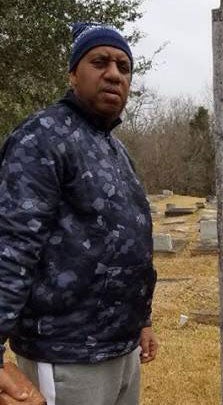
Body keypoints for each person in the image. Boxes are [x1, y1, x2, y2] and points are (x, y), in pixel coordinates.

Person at [0, 22, 157, 405]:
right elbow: (13, 246)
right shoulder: (41, 139)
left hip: (121, 348)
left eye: (123, 66)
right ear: (73, 74)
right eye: (99, 62)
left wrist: (144, 320)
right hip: (65, 353)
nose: (113, 74)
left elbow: (132, 239)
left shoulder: (117, 151)